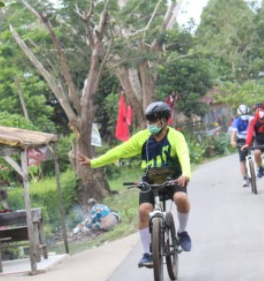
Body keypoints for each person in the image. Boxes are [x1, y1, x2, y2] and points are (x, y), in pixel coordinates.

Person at [78, 101, 192, 268]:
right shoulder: (142, 137)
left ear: (165, 120)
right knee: (143, 210)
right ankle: (147, 254)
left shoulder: (176, 136)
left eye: (155, 120)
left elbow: (184, 155)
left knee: (181, 197)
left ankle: (182, 232)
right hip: (150, 177)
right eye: (149, 121)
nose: (151, 124)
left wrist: (186, 174)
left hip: (173, 176)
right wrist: (94, 162)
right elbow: (119, 151)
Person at [229, 104, 253, 187]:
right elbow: (234, 133)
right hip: (241, 141)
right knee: (242, 160)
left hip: (252, 139)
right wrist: (232, 141)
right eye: (243, 114)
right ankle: (245, 178)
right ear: (239, 114)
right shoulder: (236, 122)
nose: (244, 115)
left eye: (246, 113)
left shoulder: (251, 119)